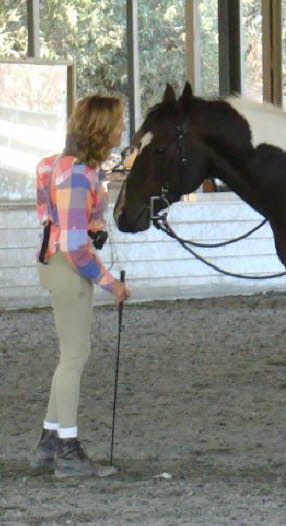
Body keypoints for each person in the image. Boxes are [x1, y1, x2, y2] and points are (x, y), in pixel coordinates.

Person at [30, 95, 131, 478]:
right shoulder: (79, 175)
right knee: (74, 357)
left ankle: (49, 443)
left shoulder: (52, 166)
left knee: (70, 354)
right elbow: (75, 246)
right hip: (70, 268)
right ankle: (68, 452)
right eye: (119, 123)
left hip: (54, 264)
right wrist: (110, 284)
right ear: (102, 129)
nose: (122, 129)